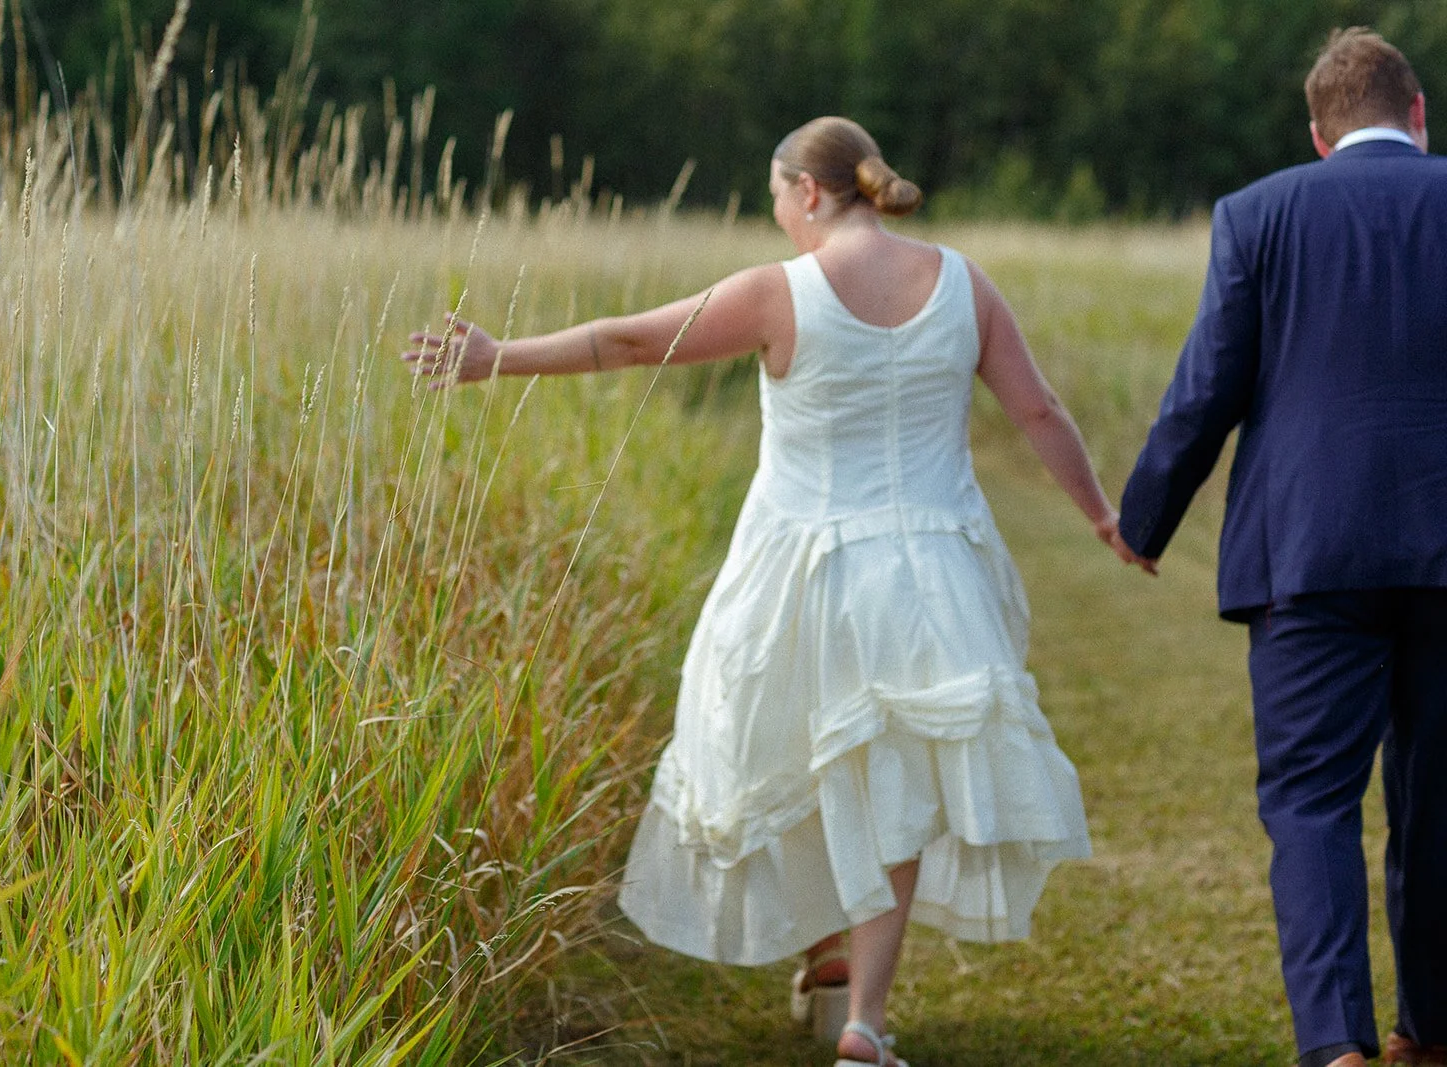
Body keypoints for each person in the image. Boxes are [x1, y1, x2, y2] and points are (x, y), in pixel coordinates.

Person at [408, 116, 1133, 1066]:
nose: (778, 218)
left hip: (804, 572)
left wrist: (496, 357)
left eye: (775, 200)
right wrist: (1102, 516)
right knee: (897, 783)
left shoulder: (777, 293)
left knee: (801, 756)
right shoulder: (964, 284)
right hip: (933, 573)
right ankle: (862, 1013)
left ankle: (837, 971)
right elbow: (1037, 409)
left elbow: (630, 342)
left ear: (806, 193)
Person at [1118, 28, 1447, 1067]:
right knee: (1438, 800)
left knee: (1309, 800)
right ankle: (1428, 1032)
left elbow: (1206, 387)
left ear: (1317, 134)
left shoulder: (1256, 214)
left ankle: (1336, 1044)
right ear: (1418, 112)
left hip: (1308, 549)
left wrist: (1143, 520)